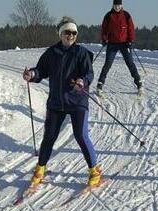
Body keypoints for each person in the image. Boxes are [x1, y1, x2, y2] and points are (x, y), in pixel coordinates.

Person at [23, 16, 102, 188]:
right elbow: (40, 70)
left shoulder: (81, 53)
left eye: (74, 33)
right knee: (49, 136)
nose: (71, 36)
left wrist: (82, 81)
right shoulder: (51, 53)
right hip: (57, 102)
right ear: (61, 34)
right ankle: (40, 168)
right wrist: (32, 75)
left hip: (77, 101)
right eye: (67, 32)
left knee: (81, 135)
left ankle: (94, 170)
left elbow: (89, 74)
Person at [97, 0, 143, 97]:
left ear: (122, 5)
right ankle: (100, 85)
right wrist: (104, 39)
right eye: (115, 5)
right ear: (113, 5)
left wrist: (130, 40)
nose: (117, 7)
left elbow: (131, 28)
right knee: (107, 64)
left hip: (124, 44)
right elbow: (104, 29)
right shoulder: (108, 16)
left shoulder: (126, 15)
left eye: (119, 5)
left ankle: (139, 84)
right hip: (112, 44)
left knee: (130, 63)